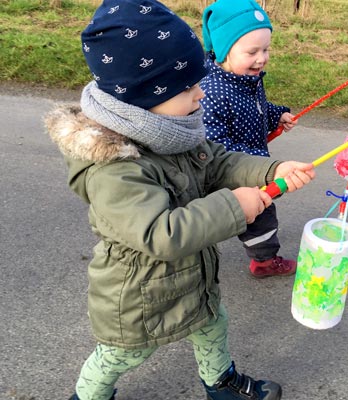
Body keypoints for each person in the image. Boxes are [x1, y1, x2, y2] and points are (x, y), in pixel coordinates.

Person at [44, 1, 315, 399]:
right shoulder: (115, 167)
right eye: (188, 88)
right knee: (120, 356)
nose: (200, 93)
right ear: (141, 96)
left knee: (213, 325)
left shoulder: (170, 128)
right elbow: (160, 232)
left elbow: (217, 161)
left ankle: (221, 383)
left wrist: (270, 171)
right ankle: (87, 397)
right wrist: (233, 208)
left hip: (192, 276)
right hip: (140, 294)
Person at [200, 0, 299, 278]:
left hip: (252, 166)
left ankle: (263, 259)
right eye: (252, 51)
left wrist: (276, 115)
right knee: (252, 215)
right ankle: (197, 257)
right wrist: (258, 167)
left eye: (266, 49)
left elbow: (256, 110)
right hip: (229, 173)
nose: (262, 58)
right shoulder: (212, 93)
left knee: (261, 216)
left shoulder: (247, 78)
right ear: (223, 51)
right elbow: (215, 148)